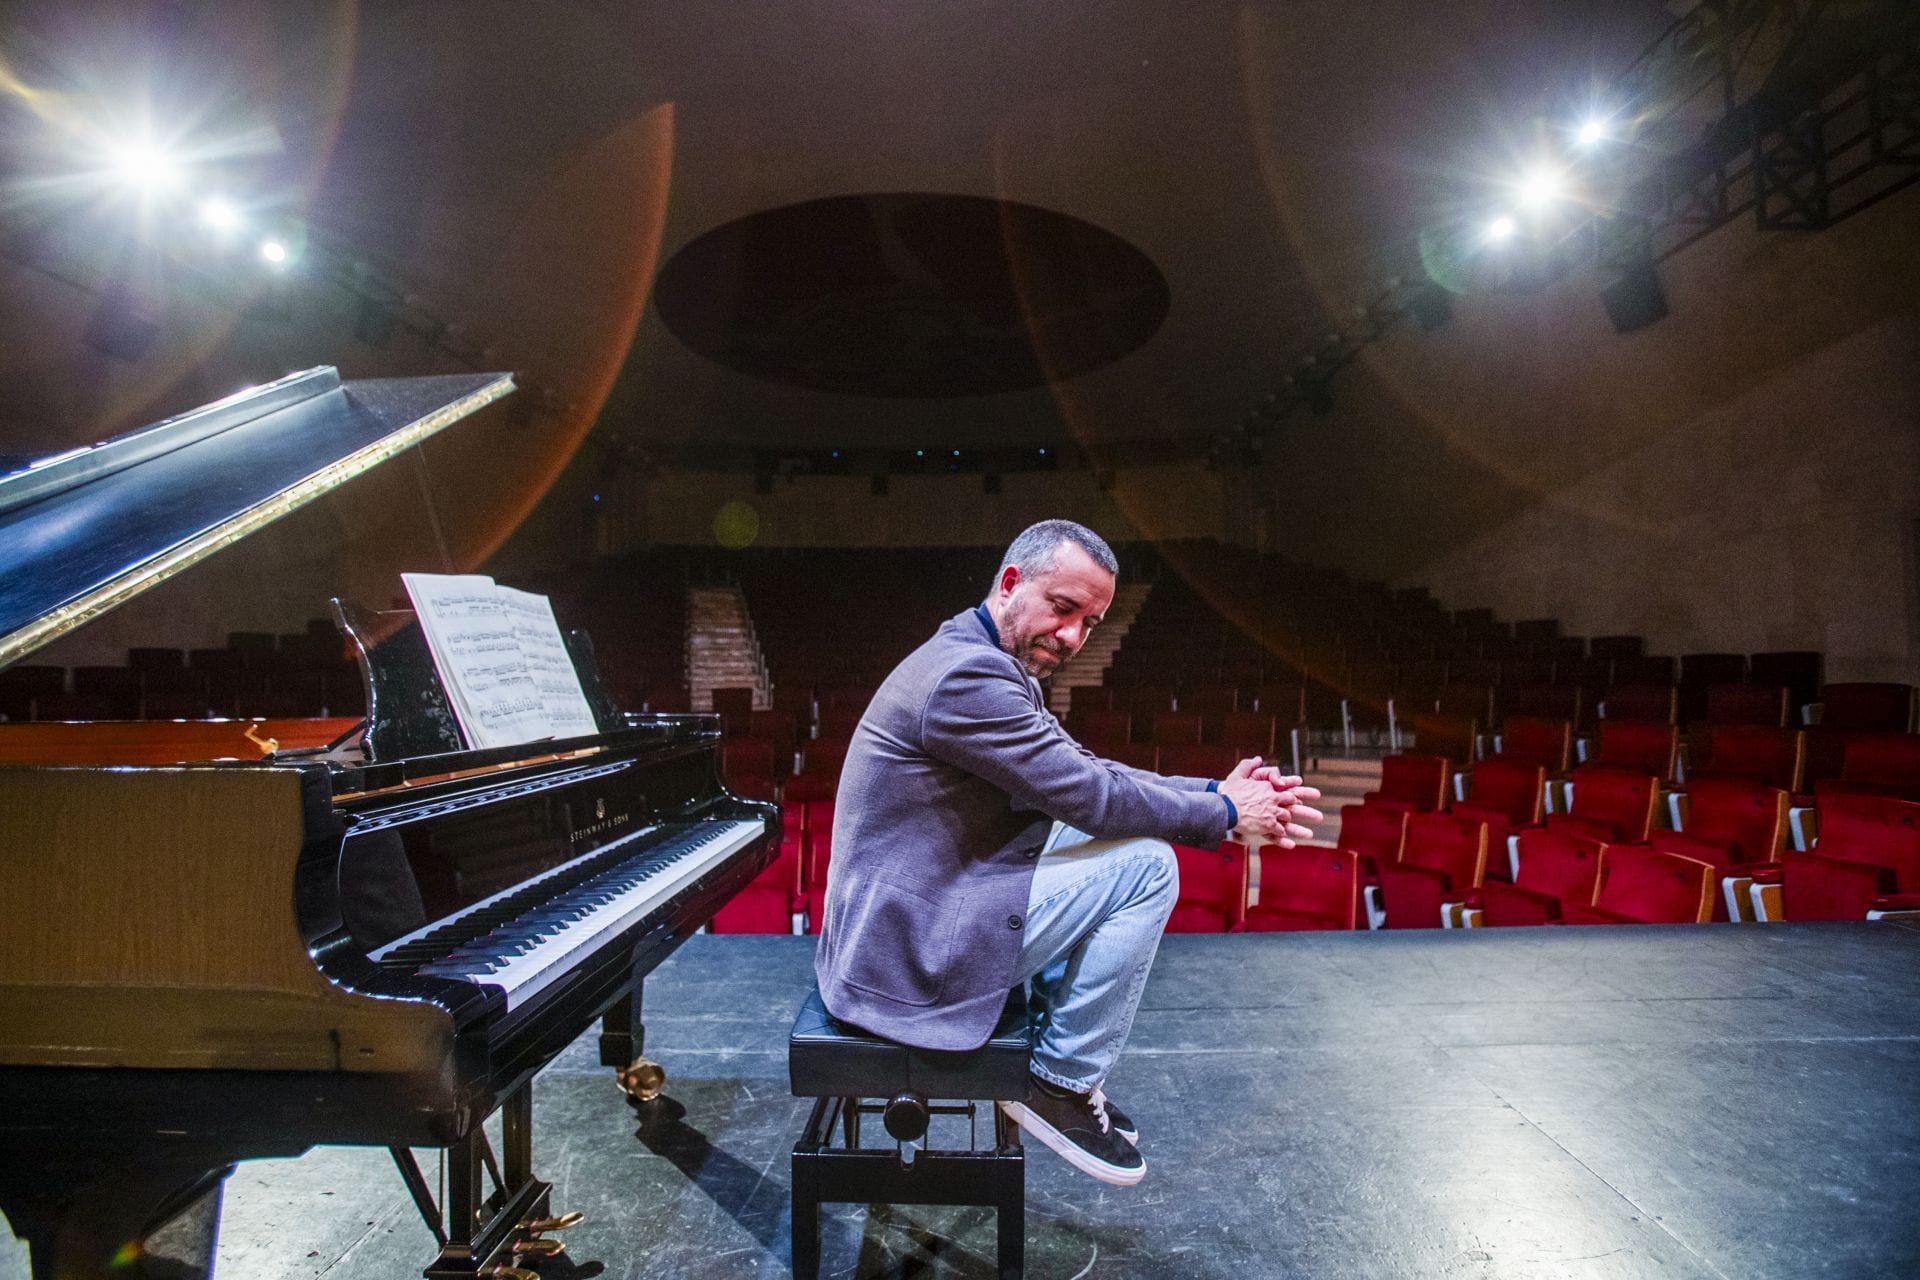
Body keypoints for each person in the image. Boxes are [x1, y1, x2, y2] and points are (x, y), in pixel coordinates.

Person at [814, 520, 1321, 1186]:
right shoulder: (966, 678)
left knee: (1095, 833)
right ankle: (1060, 1082)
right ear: (1012, 583)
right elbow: (1090, 793)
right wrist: (1225, 813)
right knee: (1145, 865)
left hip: (918, 909)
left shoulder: (981, 658)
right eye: (1063, 609)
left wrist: (1212, 790)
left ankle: (1055, 1043)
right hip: (906, 955)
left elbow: (1085, 769)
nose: (1074, 636)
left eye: (1091, 622)